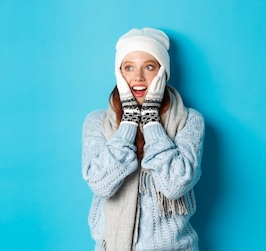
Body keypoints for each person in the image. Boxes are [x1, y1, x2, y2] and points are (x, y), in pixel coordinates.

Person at [81, 28, 205, 251]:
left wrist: (151, 121)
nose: (138, 77)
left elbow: (175, 186)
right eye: (129, 68)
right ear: (119, 73)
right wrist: (129, 122)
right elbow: (100, 184)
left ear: (163, 72)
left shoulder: (190, 120)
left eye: (149, 67)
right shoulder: (96, 122)